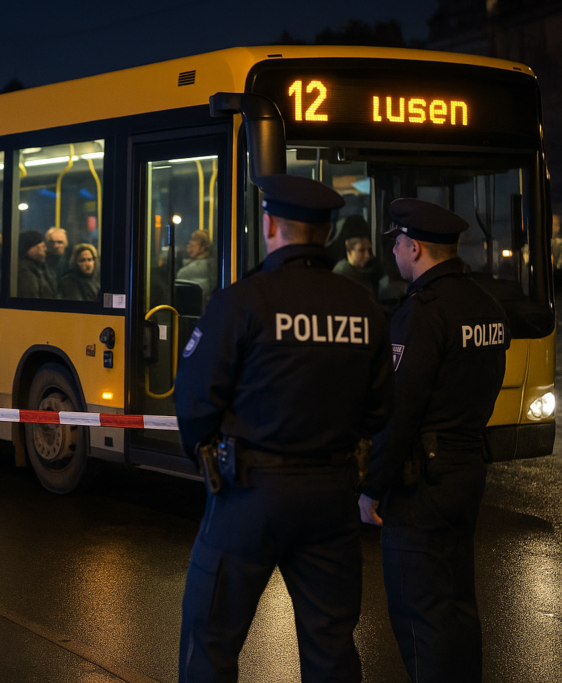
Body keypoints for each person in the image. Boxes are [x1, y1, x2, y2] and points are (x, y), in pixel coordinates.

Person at [174, 174, 394, 683]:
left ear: (270, 224)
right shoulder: (363, 308)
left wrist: (209, 458)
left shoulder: (242, 301)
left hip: (248, 495)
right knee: (331, 645)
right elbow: (382, 410)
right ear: (327, 234)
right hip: (332, 497)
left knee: (210, 639)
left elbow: (195, 399)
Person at [358, 199, 509, 683]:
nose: (395, 253)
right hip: (466, 470)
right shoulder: (485, 304)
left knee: (420, 613)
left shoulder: (422, 313)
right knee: (458, 605)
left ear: (415, 247)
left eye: (398, 244)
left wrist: (372, 486)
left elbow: (399, 412)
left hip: (422, 483)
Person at [333, 230, 381, 297]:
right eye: (361, 250)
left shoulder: (372, 272)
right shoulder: (342, 277)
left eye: (369, 250)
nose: (368, 256)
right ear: (348, 249)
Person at [16, 229, 56, 298]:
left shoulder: (40, 267)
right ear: (31, 248)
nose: (45, 249)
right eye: (42, 246)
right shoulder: (24, 271)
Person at [176, 229, 216, 295]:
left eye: (192, 246)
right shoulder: (208, 263)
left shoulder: (202, 266)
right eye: (189, 245)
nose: (189, 248)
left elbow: (180, 274)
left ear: (202, 248)